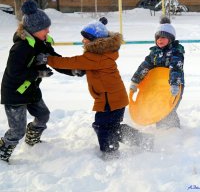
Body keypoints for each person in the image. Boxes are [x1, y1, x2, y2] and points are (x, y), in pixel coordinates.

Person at [36, 17, 153, 159]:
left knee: (102, 127)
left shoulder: (95, 57)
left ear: (95, 41)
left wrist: (47, 59)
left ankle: (110, 152)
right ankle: (142, 140)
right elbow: (85, 65)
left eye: (85, 39)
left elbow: (71, 62)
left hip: (109, 100)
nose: (83, 41)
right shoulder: (101, 53)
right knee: (112, 127)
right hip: (114, 98)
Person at [0, 0, 76, 162]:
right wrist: (38, 72)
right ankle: (2, 151)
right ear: (33, 30)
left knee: (43, 115)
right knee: (17, 130)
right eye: (45, 28)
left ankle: (32, 139)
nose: (48, 30)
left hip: (31, 89)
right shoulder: (20, 48)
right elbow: (14, 73)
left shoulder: (43, 43)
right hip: (14, 92)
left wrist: (73, 70)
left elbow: (55, 60)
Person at [130, 16, 185, 129]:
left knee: (169, 108)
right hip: (156, 86)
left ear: (171, 39)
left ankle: (173, 130)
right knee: (158, 106)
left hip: (174, 85)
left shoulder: (176, 52)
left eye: (164, 37)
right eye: (158, 37)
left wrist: (174, 84)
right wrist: (135, 82)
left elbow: (176, 68)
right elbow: (144, 67)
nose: (160, 40)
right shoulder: (154, 53)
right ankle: (161, 129)